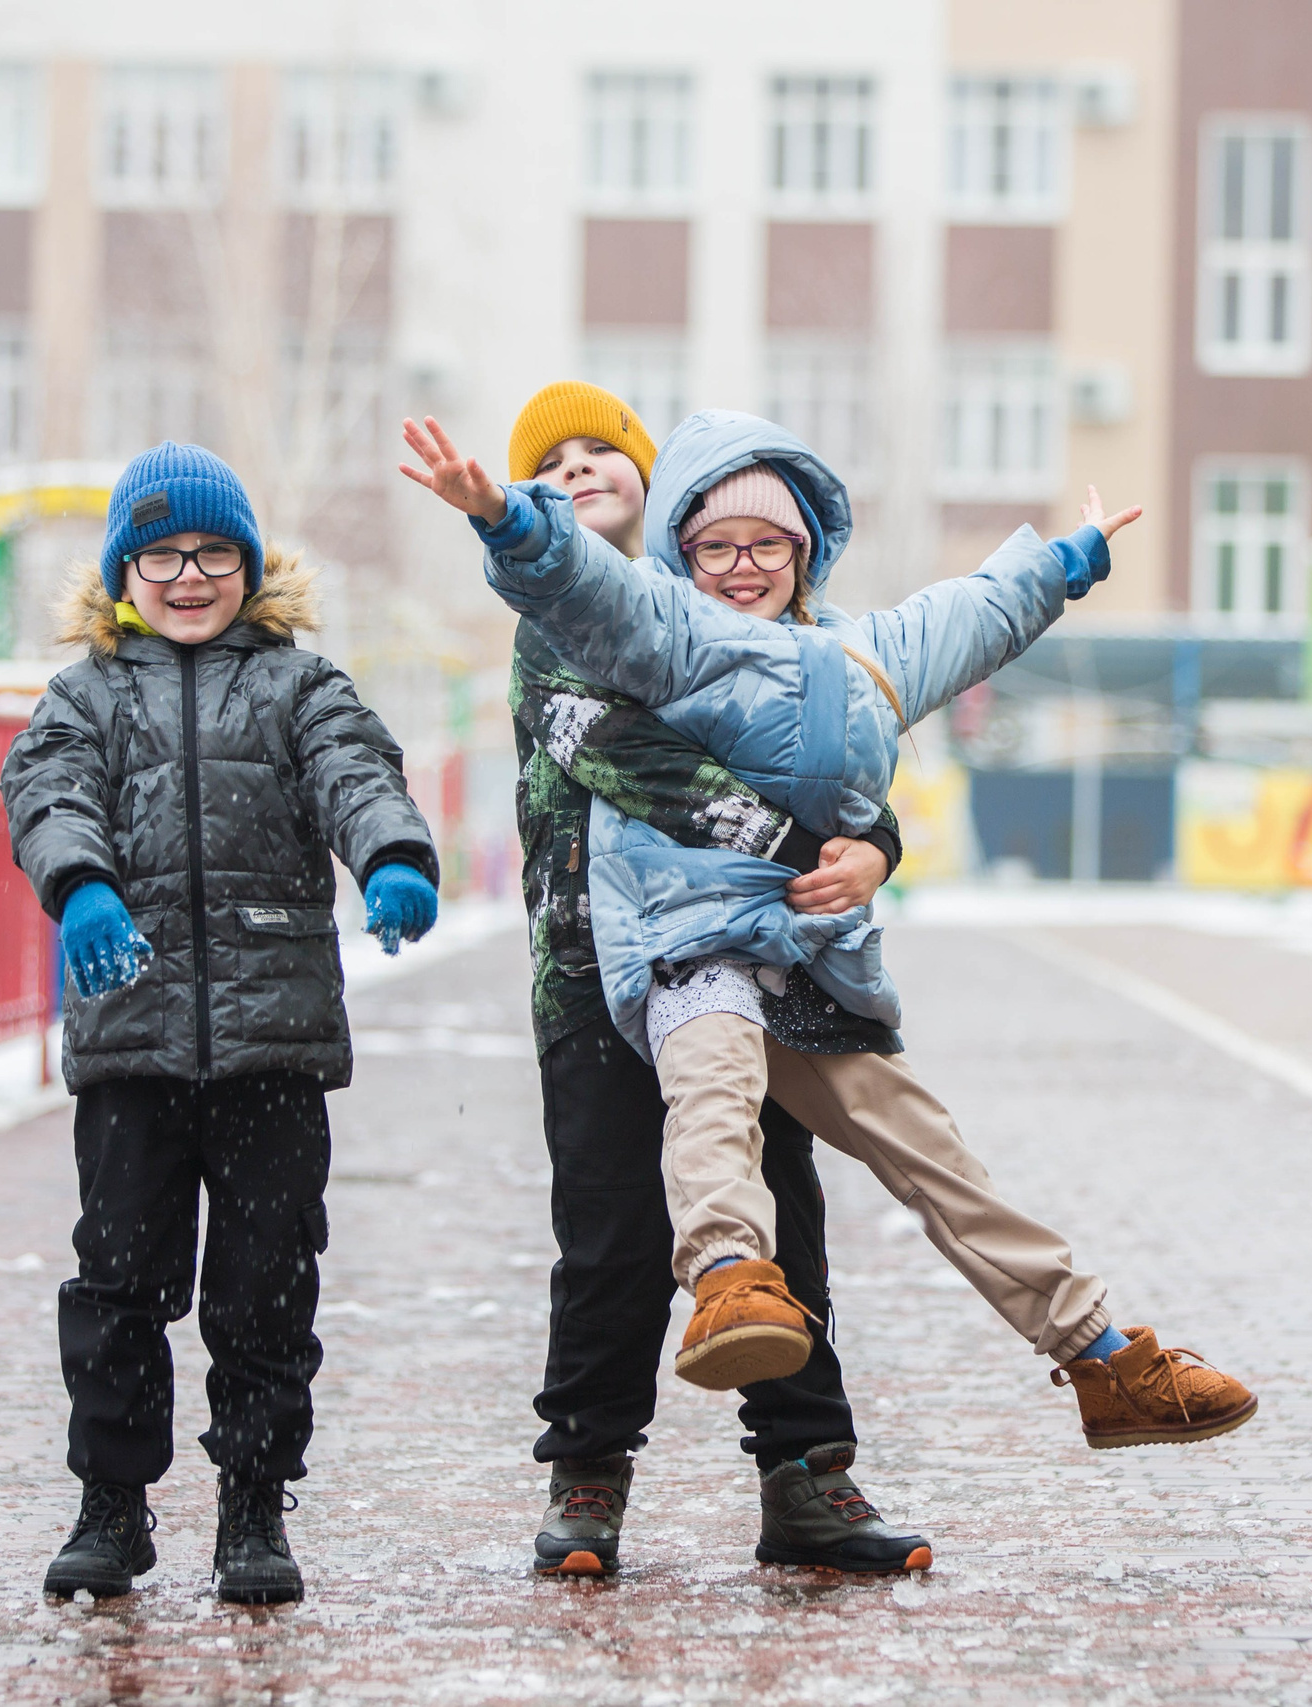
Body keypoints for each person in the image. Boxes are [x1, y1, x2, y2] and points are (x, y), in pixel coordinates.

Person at [404, 408, 1259, 1454]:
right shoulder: (667, 631)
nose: (742, 565)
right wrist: (502, 517)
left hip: (806, 958)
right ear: (683, 552)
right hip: (688, 939)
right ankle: (726, 1279)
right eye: (716, 546)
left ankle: (1098, 1353)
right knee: (711, 1100)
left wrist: (1071, 559)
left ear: (803, 549)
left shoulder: (860, 651)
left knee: (927, 1148)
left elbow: (972, 615)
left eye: (767, 543)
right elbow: (583, 583)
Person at [498, 382, 932, 1578]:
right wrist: (798, 848)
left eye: (605, 452)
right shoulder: (560, 620)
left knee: (781, 1217)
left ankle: (806, 1478)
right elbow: (625, 756)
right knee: (611, 1231)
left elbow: (835, 758)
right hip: (592, 970)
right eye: (554, 460)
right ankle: (588, 1477)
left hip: (752, 957)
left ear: (658, 488)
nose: (580, 470)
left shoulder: (731, 607)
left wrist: (871, 846)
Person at [3, 441, 440, 1606]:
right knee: (119, 1283)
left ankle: (253, 1509)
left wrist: (389, 853)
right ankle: (112, 1508)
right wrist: (81, 882)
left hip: (271, 1045)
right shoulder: (83, 698)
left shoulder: (301, 687)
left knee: (264, 1287)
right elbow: (46, 791)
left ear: (249, 566)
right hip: (132, 1039)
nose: (187, 578)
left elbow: (359, 772)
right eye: (161, 555)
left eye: (212, 554)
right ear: (121, 571)